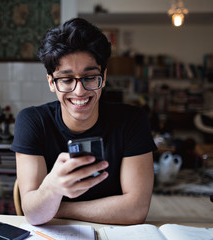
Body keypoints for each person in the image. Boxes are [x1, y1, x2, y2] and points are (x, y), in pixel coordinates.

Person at [11, 18, 157, 226]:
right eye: (67, 79)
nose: (79, 91)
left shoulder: (132, 121)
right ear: (51, 82)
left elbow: (136, 210)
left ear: (103, 78)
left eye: (90, 77)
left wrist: (56, 207)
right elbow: (33, 214)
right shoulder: (32, 121)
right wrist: (52, 188)